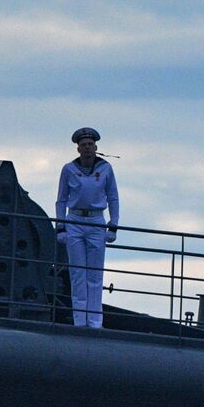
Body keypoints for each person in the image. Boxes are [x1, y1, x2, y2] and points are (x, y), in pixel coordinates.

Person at [56, 128, 119, 328]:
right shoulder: (68, 169)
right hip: (74, 219)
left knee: (94, 274)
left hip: (96, 221)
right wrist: (61, 227)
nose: (87, 148)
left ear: (96, 147)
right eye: (83, 145)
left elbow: (113, 197)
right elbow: (61, 199)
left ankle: (94, 321)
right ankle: (79, 321)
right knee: (77, 274)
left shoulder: (106, 168)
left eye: (90, 144)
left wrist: (114, 224)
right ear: (78, 148)